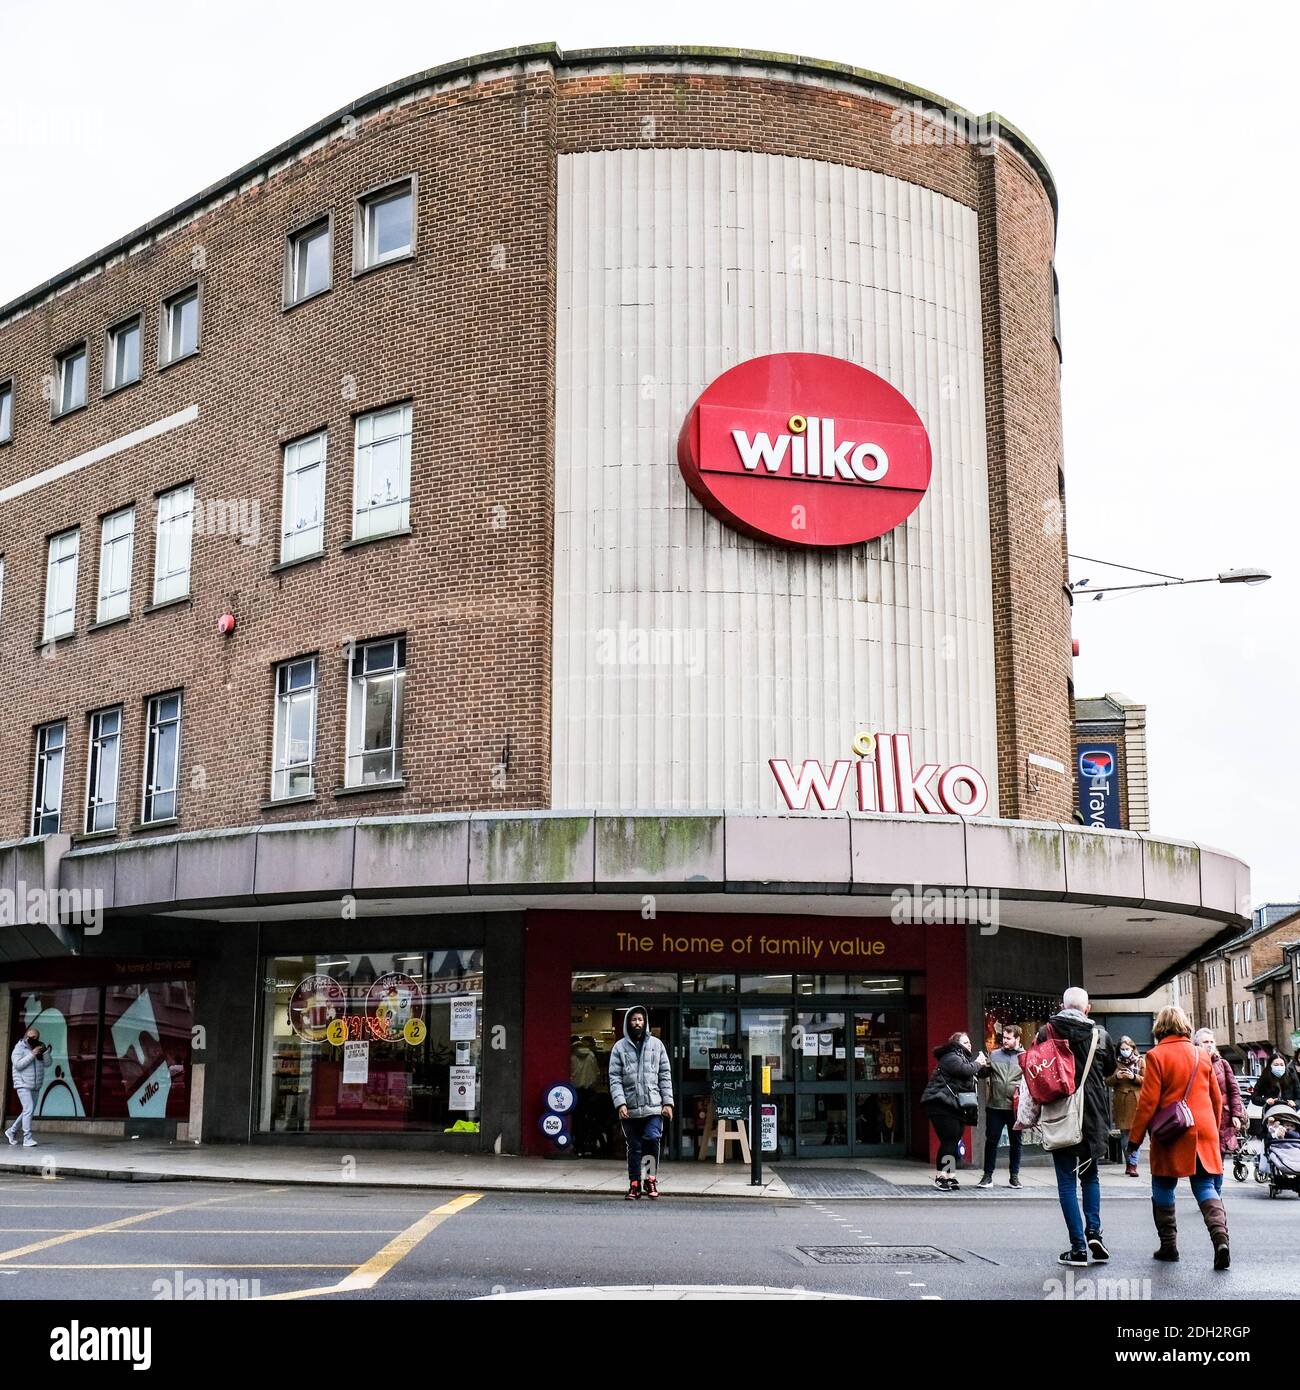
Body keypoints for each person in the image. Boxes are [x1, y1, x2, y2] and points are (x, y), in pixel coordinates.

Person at [1129, 1006, 1228, 1269]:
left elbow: (1148, 1103)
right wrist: (1213, 1132)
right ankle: (1221, 1239)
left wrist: (1135, 1140)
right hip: (1203, 1128)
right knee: (1205, 1186)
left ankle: (1169, 1246)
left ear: (1160, 1027)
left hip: (1172, 1129)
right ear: (1184, 1025)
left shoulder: (1155, 1056)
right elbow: (1216, 1099)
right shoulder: (1202, 1055)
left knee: (1163, 1186)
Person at [1034, 987, 1117, 1267]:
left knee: (1067, 1183)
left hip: (1061, 1113)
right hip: (1093, 1114)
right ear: (1087, 1009)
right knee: (1090, 1177)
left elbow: (1036, 1070)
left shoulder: (1047, 1032)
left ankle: (1078, 1247)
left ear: (1061, 1006)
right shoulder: (1101, 1035)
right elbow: (1109, 1070)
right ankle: (1094, 1231)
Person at [607, 1006, 673, 1201]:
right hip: (630, 1107)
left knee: (652, 1140)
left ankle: (650, 1178)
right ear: (629, 1022)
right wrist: (620, 1104)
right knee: (634, 1146)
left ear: (645, 1022)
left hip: (654, 1105)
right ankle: (634, 1184)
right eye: (634, 1019)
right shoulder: (619, 1047)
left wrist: (668, 1102)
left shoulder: (657, 1045)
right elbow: (615, 1078)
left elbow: (665, 1075)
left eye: (640, 1020)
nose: (637, 1023)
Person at [921, 1031, 989, 1191]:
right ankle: (940, 1176)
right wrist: (978, 1063)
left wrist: (983, 1066)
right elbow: (964, 1070)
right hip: (941, 1104)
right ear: (956, 1044)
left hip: (954, 1106)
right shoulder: (951, 1056)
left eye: (969, 1042)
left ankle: (950, 1175)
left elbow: (974, 1072)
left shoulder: (962, 1058)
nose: (969, 1044)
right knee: (949, 1141)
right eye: (965, 1042)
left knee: (952, 1141)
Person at [1194, 1027, 1242, 1195]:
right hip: (1203, 1118)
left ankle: (1216, 1194)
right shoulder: (1195, 1064)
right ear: (1197, 1044)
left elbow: (1234, 1090)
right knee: (1207, 1158)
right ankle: (1210, 1194)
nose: (1209, 1045)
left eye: (1211, 1042)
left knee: (1219, 1157)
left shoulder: (1222, 1064)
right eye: (1205, 1042)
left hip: (1223, 1117)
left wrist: (1237, 1114)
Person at [978, 1024, 1024, 1188]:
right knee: (991, 1141)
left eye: (1008, 1038)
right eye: (1003, 1037)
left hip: (1015, 1107)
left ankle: (1014, 1176)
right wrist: (981, 1065)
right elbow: (983, 1075)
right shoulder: (994, 1054)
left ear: (1017, 1039)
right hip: (995, 1106)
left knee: (1016, 1143)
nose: (1004, 1040)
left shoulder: (1025, 1057)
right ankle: (987, 1176)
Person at [1107, 1036, 1145, 1176]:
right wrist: (1117, 1077)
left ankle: (1133, 1164)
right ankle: (1129, 1162)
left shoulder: (1140, 1061)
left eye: (1127, 1049)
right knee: (1125, 1134)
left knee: (1136, 1134)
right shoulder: (1115, 1063)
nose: (1125, 1051)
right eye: (1122, 1049)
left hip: (1137, 1100)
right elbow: (1107, 1081)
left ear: (1133, 1049)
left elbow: (1147, 1080)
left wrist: (1133, 1077)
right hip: (1121, 1101)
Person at [5, 1028, 46, 1147]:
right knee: (28, 1109)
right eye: (31, 1037)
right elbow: (18, 1065)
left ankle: (11, 1131)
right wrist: (32, 1054)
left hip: (35, 1085)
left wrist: (44, 1052)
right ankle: (27, 1138)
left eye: (36, 1038)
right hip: (22, 1084)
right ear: (25, 1037)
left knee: (28, 1110)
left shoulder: (37, 1049)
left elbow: (47, 1064)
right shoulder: (19, 1048)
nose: (34, 1039)